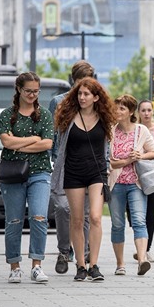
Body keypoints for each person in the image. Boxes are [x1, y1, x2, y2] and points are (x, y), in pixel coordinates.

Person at [53, 77, 116, 282]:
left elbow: (108, 145)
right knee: (77, 220)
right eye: (80, 93)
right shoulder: (68, 116)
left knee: (96, 217)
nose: (82, 97)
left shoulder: (104, 117)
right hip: (73, 172)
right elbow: (59, 146)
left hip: (97, 173)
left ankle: (94, 265)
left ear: (96, 97)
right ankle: (80, 265)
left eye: (86, 94)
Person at [0, 72, 54, 283]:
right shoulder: (7, 114)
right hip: (13, 174)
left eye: (36, 91)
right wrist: (32, 139)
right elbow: (6, 143)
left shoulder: (44, 114)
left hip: (40, 172)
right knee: (13, 220)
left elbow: (47, 144)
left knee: (39, 216)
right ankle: (14, 266)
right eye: (28, 90)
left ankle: (37, 265)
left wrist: (17, 142)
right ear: (19, 90)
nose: (32, 95)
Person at [49, 60, 95, 274]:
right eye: (79, 83)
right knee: (62, 207)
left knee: (85, 214)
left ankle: (84, 254)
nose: (82, 89)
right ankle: (63, 249)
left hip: (88, 164)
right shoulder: (59, 102)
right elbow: (52, 133)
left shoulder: (96, 103)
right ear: (73, 81)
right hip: (63, 163)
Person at [108, 94, 154, 276]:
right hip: (116, 184)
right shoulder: (111, 131)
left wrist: (140, 156)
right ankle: (120, 264)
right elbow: (110, 162)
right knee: (117, 224)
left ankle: (142, 260)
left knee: (139, 221)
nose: (117, 111)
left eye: (122, 108)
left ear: (131, 112)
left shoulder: (141, 131)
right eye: (116, 108)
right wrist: (126, 160)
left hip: (136, 184)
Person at [126, 100, 154, 263]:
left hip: (153, 176)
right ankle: (141, 245)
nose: (146, 113)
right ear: (138, 112)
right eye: (143, 110)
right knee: (133, 214)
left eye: (149, 110)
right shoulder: (134, 129)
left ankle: (145, 250)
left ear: (153, 112)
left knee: (149, 214)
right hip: (134, 175)